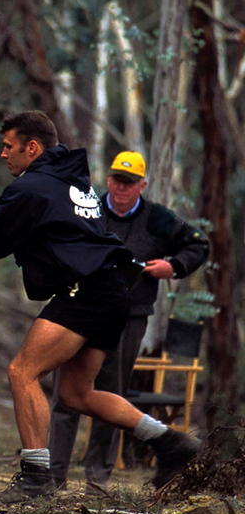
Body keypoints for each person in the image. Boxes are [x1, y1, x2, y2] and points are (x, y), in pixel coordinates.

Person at [0, 112, 201, 504]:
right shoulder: (67, 181)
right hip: (111, 290)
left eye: (8, 146)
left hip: (85, 292)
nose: (3, 154)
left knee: (22, 371)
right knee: (76, 394)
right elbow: (15, 216)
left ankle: (36, 478)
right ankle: (170, 442)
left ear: (31, 147)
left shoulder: (33, 187)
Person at [48, 151, 209, 492]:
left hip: (129, 316)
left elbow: (198, 245)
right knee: (67, 394)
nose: (122, 188)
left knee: (110, 394)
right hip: (80, 312)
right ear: (108, 180)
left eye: (130, 182)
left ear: (142, 185)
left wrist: (173, 266)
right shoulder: (88, 207)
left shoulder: (157, 218)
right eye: (118, 181)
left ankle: (97, 480)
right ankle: (52, 475)